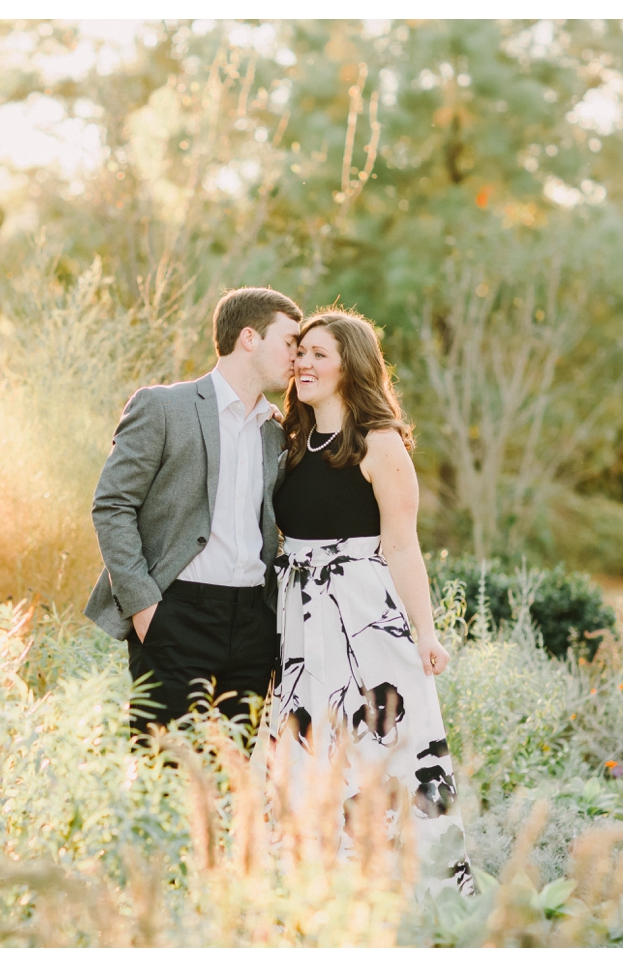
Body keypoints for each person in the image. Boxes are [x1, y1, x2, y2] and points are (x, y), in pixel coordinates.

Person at [269, 309, 475, 895]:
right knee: (308, 751)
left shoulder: (379, 444)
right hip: (301, 626)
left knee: (375, 752)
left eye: (319, 354)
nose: (303, 362)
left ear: (349, 366)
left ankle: (399, 892)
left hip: (364, 622)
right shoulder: (289, 440)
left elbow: (403, 546)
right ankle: (317, 889)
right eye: (300, 352)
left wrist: (427, 633)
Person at [86, 287, 302, 738]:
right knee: (163, 776)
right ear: (249, 337)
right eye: (290, 343)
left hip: (252, 626)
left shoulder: (276, 433)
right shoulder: (164, 407)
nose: (297, 357)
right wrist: (145, 608)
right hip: (174, 613)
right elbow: (112, 505)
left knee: (228, 782)